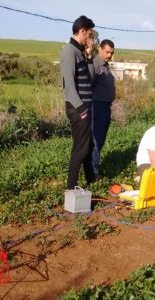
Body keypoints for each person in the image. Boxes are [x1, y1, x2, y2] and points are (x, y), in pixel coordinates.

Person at [60, 15, 96, 189]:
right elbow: (68, 84)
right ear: (82, 31)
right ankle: (70, 188)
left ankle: (91, 180)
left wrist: (89, 57)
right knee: (80, 149)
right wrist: (82, 109)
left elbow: (89, 79)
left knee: (88, 146)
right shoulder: (68, 51)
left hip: (84, 107)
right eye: (89, 35)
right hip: (78, 108)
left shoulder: (79, 52)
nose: (91, 39)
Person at [91, 39, 116, 178]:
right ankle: (93, 173)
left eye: (111, 53)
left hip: (105, 107)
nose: (109, 55)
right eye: (107, 52)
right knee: (95, 141)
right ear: (100, 49)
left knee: (100, 140)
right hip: (97, 106)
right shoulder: (95, 64)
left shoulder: (105, 66)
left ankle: (94, 169)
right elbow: (89, 86)